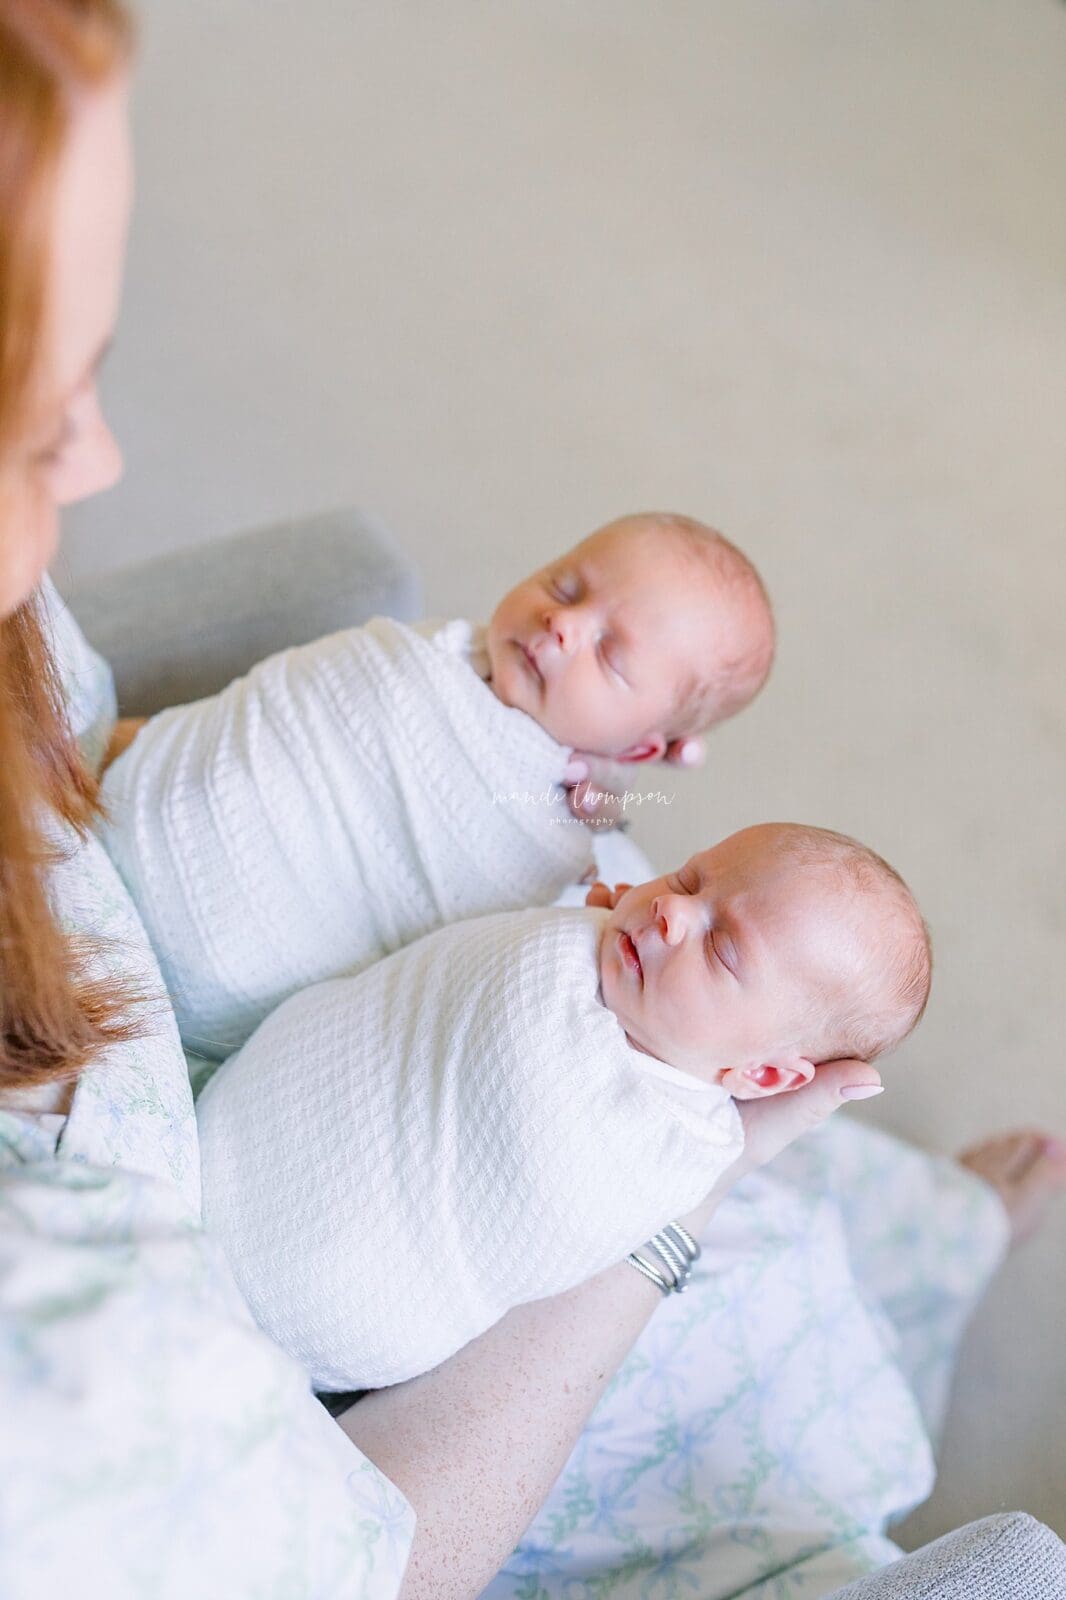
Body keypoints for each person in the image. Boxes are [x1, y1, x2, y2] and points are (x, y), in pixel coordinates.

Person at [0, 5, 1062, 1599]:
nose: (97, 463)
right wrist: (682, 1206)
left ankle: (925, 1220)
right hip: (339, 1259)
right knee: (763, 1297)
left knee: (789, 1122)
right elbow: (381, 1557)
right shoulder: (84, 1419)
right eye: (40, 416)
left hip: (287, 1035)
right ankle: (923, 1251)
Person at [195, 823, 930, 1395]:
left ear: (762, 1073)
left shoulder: (669, 1154)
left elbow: (556, 1200)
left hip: (333, 1293)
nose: (671, 911)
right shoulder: (596, 933)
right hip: (246, 1123)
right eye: (688, 878)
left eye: (722, 950)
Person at [98, 511, 773, 1058]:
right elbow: (289, 709)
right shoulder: (436, 652)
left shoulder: (544, 841)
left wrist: (604, 781)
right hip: (143, 806)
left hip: (219, 967)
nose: (562, 623)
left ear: (641, 746)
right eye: (564, 586)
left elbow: (441, 944)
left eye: (610, 654)